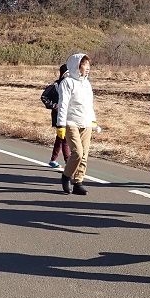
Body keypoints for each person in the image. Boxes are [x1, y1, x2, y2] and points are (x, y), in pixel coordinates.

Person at [56, 53, 99, 196]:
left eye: (88, 65)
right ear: (76, 66)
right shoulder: (67, 83)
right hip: (71, 122)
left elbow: (89, 105)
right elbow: (63, 105)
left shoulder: (87, 84)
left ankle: (78, 182)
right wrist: (60, 125)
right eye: (84, 65)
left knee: (85, 155)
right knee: (78, 153)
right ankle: (66, 176)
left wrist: (93, 121)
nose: (87, 68)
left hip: (85, 122)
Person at [41, 63, 70, 168]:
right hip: (59, 116)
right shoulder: (56, 85)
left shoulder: (70, 85)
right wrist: (54, 105)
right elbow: (44, 97)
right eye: (67, 73)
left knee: (60, 139)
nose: (69, 75)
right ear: (63, 74)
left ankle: (53, 160)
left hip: (69, 115)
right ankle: (68, 162)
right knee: (64, 139)